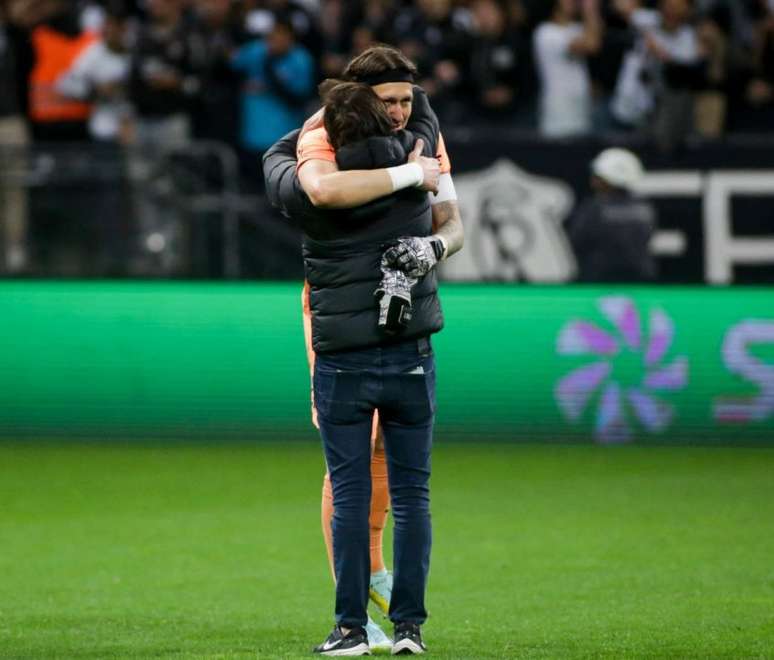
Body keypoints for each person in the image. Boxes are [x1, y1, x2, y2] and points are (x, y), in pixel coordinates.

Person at [264, 76, 462, 655]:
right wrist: (411, 175)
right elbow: (318, 189)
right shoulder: (322, 138)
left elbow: (453, 221)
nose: (400, 112)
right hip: (340, 323)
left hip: (386, 334)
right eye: (388, 101)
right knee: (364, 468)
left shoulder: (428, 135)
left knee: (375, 465)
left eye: (407, 100)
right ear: (362, 101)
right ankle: (365, 594)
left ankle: (370, 595)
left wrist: (436, 247)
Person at [566, 147, 657, 282]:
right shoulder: (645, 207)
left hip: (599, 280)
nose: (593, 180)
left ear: (608, 179)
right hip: (641, 276)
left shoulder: (593, 208)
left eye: (598, 176)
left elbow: (576, 241)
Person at [533, 0, 602, 138]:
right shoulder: (545, 32)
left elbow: (597, 35)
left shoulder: (576, 28)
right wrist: (590, 10)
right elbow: (591, 45)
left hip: (581, 106)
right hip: (559, 111)